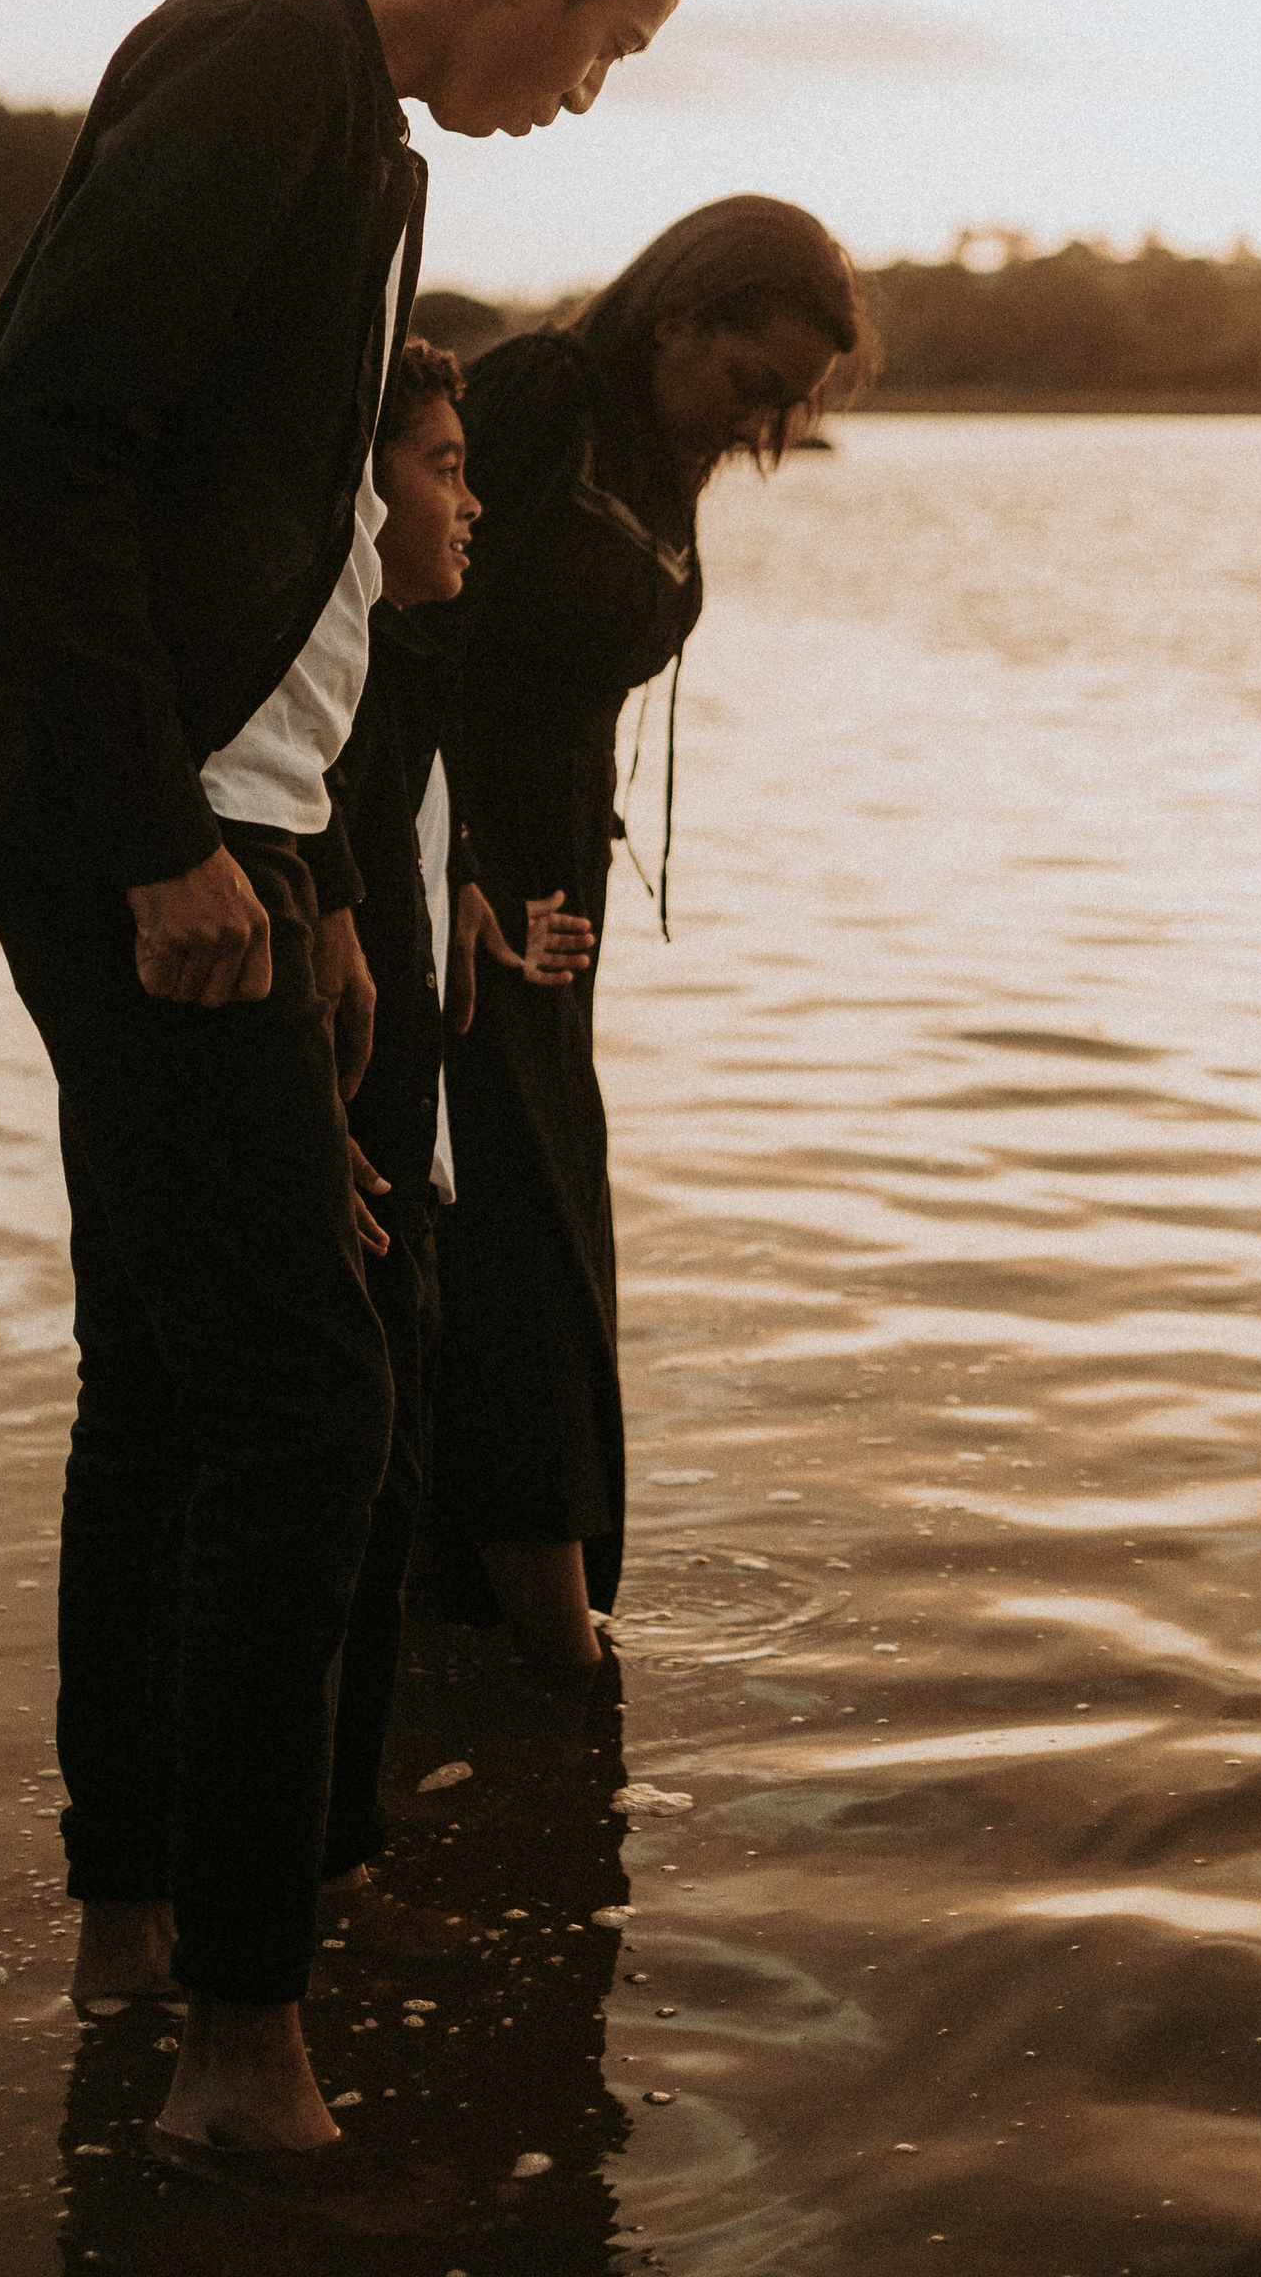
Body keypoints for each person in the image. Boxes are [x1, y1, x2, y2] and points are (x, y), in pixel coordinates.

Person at [0, 0, 708, 2177]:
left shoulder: (365, 146)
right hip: (137, 816)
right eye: (616, 40)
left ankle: (143, 1935)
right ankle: (244, 2048)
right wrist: (164, 840)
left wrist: (329, 866)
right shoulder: (269, 59)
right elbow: (24, 446)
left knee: (173, 1374)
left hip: (236, 820)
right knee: (308, 1407)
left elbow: (296, 542)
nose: (592, 95)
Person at [425, 196, 869, 1673]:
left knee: (543, 1211)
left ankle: (472, 1618)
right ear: (680, 313)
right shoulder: (546, 393)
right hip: (467, 875)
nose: (767, 423)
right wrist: (456, 869)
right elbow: (407, 622)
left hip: (560, 889)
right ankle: (549, 1642)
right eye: (756, 384)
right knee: (510, 1227)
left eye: (794, 406)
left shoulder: (664, 449)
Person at [314, 340, 592, 1929]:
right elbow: (328, 878)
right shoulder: (332, 707)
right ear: (355, 496)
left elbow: (402, 832)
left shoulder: (406, 675)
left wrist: (463, 892)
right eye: (442, 467)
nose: (474, 504)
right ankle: (321, 1872)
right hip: (363, 1166)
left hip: (410, 1159)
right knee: (347, 1496)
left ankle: (344, 1850)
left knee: (383, 1489)